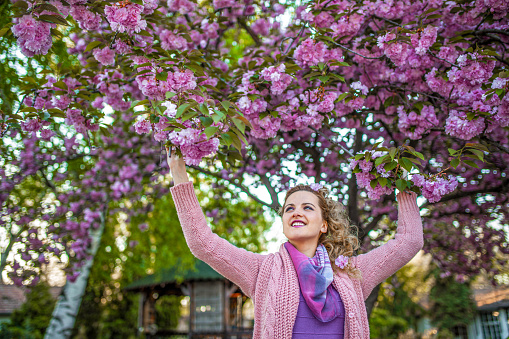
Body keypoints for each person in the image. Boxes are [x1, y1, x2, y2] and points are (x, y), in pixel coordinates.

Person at [167, 147, 423, 339]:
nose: (295, 212)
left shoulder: (352, 273)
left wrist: (404, 187)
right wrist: (178, 172)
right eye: (289, 208)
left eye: (307, 207)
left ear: (324, 224)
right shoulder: (262, 270)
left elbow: (409, 241)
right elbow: (203, 243)